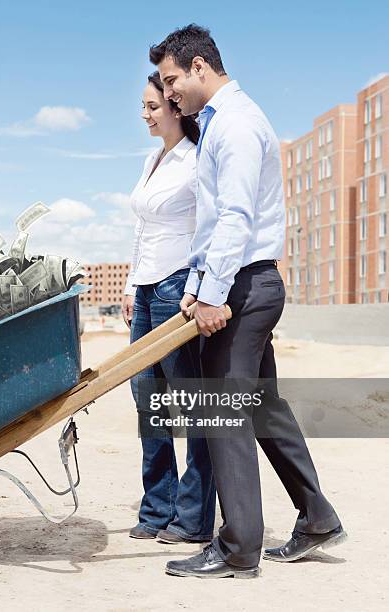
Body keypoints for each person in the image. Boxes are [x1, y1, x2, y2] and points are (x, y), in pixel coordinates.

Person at [149, 24, 346, 578]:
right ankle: (317, 517)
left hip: (243, 286)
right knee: (262, 410)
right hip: (241, 281)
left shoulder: (233, 125)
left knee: (223, 414)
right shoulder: (222, 123)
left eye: (172, 81)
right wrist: (194, 285)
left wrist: (211, 296)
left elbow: (235, 218)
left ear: (200, 68)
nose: (168, 96)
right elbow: (213, 223)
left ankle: (238, 548)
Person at [121, 71, 216, 544]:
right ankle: (157, 509)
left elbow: (210, 228)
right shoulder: (152, 159)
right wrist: (127, 285)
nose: (146, 114)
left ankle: (193, 517)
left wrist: (199, 285)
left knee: (192, 405)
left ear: (177, 108)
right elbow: (141, 229)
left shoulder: (197, 160)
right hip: (144, 290)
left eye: (153, 107)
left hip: (178, 287)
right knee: (148, 402)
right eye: (144, 106)